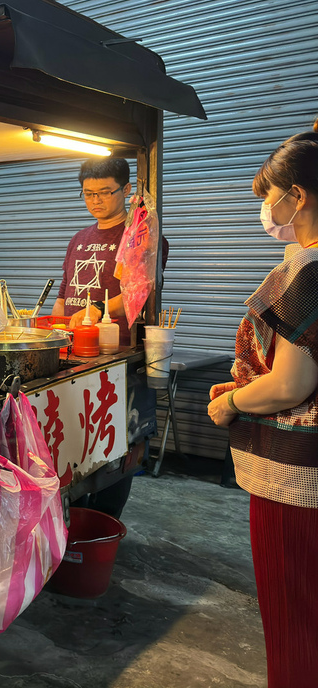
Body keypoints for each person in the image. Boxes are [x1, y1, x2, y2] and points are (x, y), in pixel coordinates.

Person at [207, 120, 318, 687]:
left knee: (295, 614)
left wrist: (229, 404)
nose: (266, 211)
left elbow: (288, 385)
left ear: (297, 196)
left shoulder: (309, 268)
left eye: (269, 198)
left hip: (295, 480)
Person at [51, 157, 169, 345]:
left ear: (126, 190)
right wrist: (54, 336)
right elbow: (63, 297)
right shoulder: (78, 239)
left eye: (105, 193)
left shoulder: (141, 237)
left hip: (117, 347)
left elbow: (139, 293)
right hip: (73, 344)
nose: (95, 201)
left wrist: (98, 308)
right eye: (88, 194)